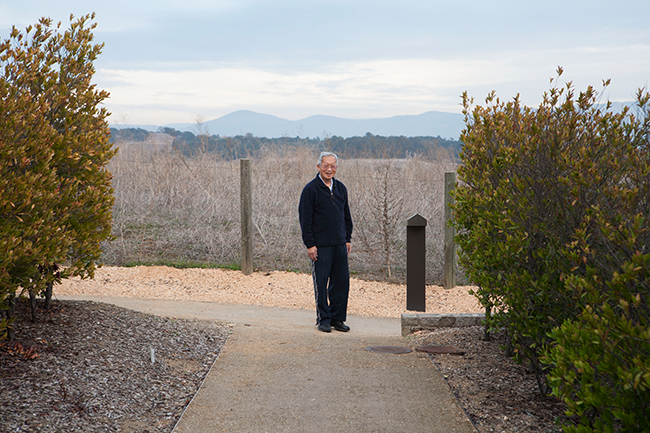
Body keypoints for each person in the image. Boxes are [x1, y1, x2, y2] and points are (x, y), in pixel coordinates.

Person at [298, 152, 353, 333]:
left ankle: (337, 318)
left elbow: (346, 216)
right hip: (320, 245)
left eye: (333, 166)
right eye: (325, 165)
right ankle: (324, 319)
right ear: (318, 167)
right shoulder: (310, 190)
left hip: (339, 243)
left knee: (341, 282)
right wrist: (310, 244)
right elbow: (305, 220)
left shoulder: (341, 188)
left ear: (336, 168)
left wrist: (347, 238)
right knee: (321, 283)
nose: (329, 169)